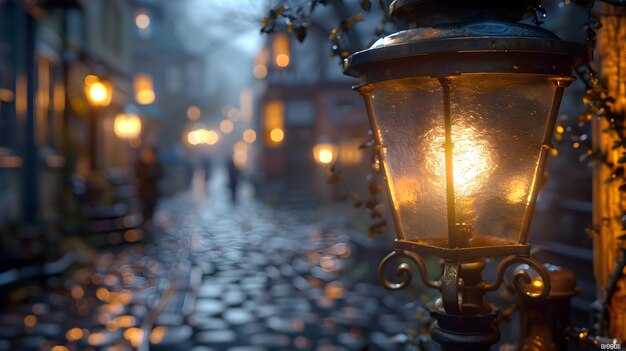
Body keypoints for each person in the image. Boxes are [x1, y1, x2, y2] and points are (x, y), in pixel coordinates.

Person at [136, 147, 163, 223]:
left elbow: (161, 173)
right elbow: (139, 175)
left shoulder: (156, 164)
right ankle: (145, 224)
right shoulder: (142, 164)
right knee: (144, 210)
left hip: (153, 192)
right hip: (143, 192)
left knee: (151, 209)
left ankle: (149, 223)